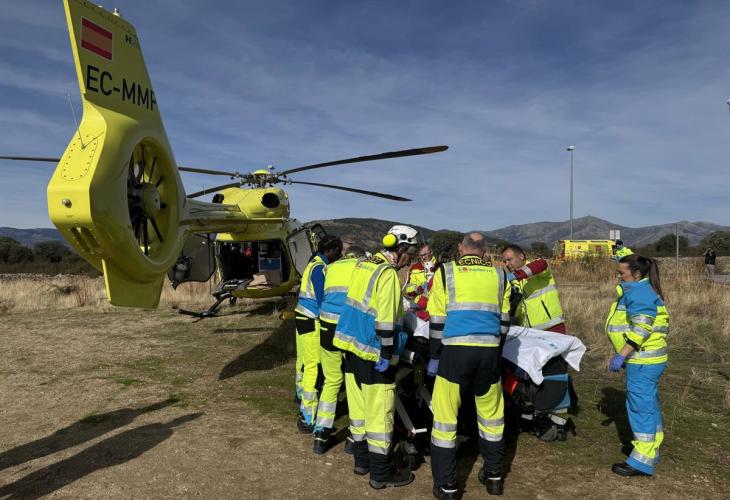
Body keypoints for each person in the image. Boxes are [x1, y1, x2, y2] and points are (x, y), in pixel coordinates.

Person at [333, 225, 421, 490]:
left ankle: (361, 463)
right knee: (380, 413)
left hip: (351, 347)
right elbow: (386, 320)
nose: (411, 260)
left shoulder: (365, 263)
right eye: (411, 254)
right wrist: (386, 353)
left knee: (358, 410)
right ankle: (381, 474)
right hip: (373, 352)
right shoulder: (388, 274)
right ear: (402, 249)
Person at [428, 232, 511, 498]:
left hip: (455, 352)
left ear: (461, 248)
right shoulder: (500, 274)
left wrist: (434, 355)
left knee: (445, 419)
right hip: (488, 352)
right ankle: (494, 476)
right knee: (492, 417)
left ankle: (447, 486)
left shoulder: (446, 272)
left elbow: (437, 320)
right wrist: (495, 349)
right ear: (484, 252)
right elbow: (505, 322)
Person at [606, 254, 669, 477]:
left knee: (640, 408)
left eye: (621, 273)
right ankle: (651, 450)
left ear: (636, 273)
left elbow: (641, 329)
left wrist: (622, 355)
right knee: (648, 405)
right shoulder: (642, 287)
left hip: (643, 360)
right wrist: (621, 251)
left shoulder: (639, 293)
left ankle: (641, 460)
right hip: (649, 360)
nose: (619, 277)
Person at [501, 244, 571, 440]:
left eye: (510, 259)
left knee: (554, 374)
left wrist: (514, 276)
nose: (507, 264)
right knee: (531, 375)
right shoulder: (517, 283)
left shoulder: (538, 271)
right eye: (504, 261)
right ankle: (534, 411)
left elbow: (542, 263)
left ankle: (556, 416)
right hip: (530, 335)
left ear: (522, 257)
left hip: (551, 331)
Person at [313, 244, 366, 454]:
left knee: (332, 380)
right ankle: (355, 436)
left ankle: (320, 434)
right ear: (360, 256)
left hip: (326, 326)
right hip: (347, 327)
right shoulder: (362, 267)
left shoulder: (330, 267)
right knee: (353, 381)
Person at [294, 235, 343, 433]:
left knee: (305, 362)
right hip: (311, 318)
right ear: (329, 250)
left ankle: (302, 399)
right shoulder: (320, 268)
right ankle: (309, 416)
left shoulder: (313, 262)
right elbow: (323, 299)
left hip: (302, 315)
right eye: (338, 251)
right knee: (313, 366)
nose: (339, 255)